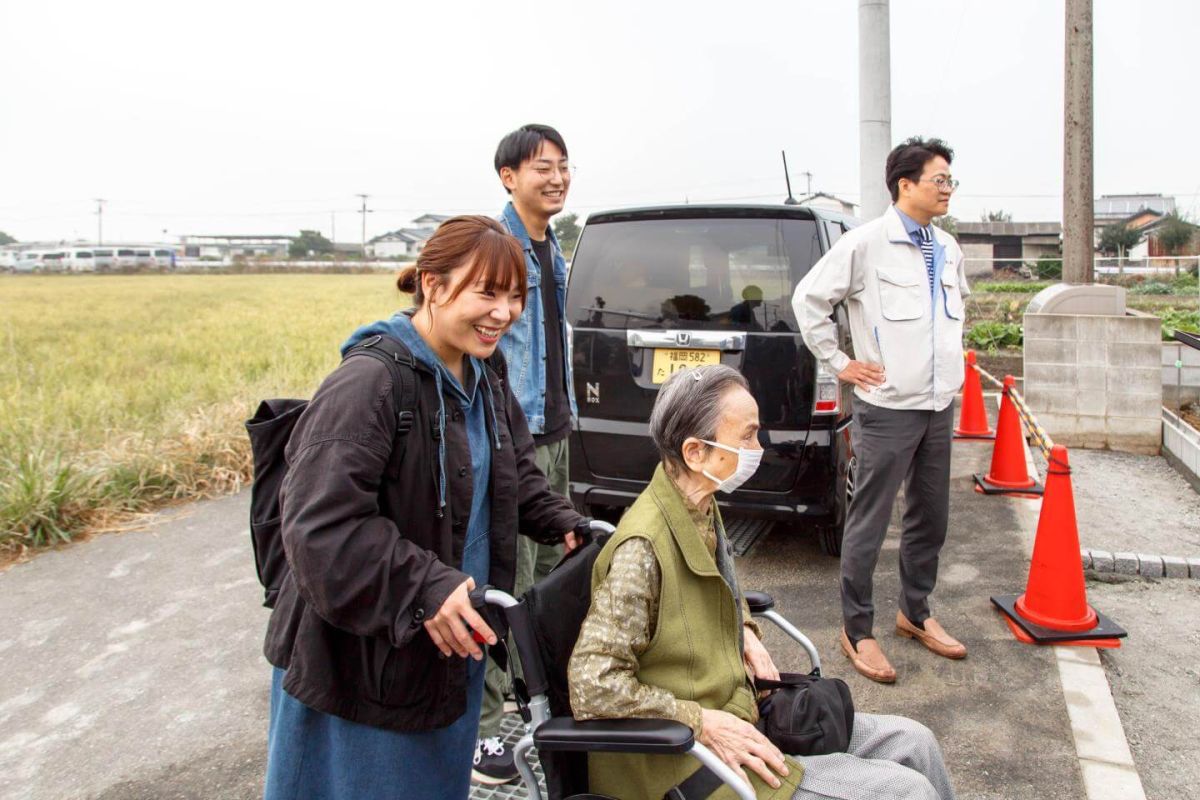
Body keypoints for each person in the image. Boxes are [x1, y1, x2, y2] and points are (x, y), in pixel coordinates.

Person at [261, 215, 588, 800]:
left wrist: (565, 523)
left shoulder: (484, 370)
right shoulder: (369, 383)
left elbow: (511, 472)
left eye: (516, 297)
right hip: (360, 666)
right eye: (487, 292)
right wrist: (423, 586)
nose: (504, 313)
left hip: (443, 647)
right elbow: (319, 528)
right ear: (433, 286)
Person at [568, 366, 956, 800]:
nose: (759, 448)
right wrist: (700, 720)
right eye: (748, 436)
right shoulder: (640, 551)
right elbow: (592, 684)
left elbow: (714, 594)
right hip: (687, 759)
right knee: (905, 791)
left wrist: (745, 630)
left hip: (742, 709)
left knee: (915, 743)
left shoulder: (697, 503)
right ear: (695, 452)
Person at [791, 137, 970, 684]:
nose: (947, 189)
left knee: (930, 517)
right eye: (939, 179)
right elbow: (809, 300)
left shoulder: (949, 247)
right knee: (869, 520)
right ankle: (857, 629)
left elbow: (950, 315)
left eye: (950, 181)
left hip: (939, 406)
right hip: (887, 408)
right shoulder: (866, 244)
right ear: (905, 185)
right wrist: (841, 362)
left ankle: (916, 612)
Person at [474, 123, 579, 784]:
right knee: (502, 583)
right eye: (543, 167)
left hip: (556, 435)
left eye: (565, 166)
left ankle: (528, 697)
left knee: (545, 581)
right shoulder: (496, 248)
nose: (558, 177)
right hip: (515, 442)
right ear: (508, 176)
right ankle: (483, 734)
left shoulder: (552, 247)